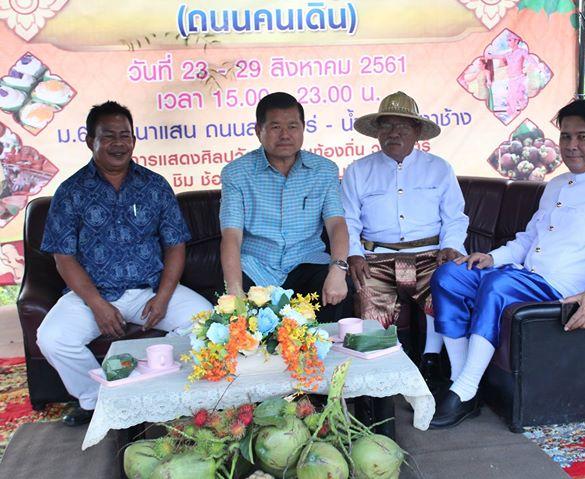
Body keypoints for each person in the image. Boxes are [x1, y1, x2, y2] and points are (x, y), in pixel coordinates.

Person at [429, 99, 585, 428]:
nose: (571, 146)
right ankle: (461, 382)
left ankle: (465, 388)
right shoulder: (557, 184)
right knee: (450, 275)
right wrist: (492, 257)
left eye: (582, 137)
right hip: (524, 276)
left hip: (561, 287)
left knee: (498, 285)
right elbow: (530, 237)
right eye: (565, 136)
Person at [38, 101, 212, 426]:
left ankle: (161, 390)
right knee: (52, 338)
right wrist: (97, 305)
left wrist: (163, 296)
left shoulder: (155, 185)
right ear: (90, 141)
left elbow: (175, 245)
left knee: (208, 324)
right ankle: (98, 401)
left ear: (134, 139)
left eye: (125, 135)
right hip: (92, 295)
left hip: (149, 290)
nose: (118, 143)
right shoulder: (71, 191)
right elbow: (63, 257)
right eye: (108, 136)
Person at [342, 91, 469, 388]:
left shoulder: (439, 168)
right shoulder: (358, 170)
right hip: (376, 259)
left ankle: (437, 365)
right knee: (370, 313)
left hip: (430, 255)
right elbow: (347, 219)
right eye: (386, 125)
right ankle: (378, 385)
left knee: (448, 289)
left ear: (417, 131)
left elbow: (455, 217)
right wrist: (354, 253)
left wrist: (450, 246)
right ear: (377, 132)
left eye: (402, 126)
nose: (394, 133)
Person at [220, 92, 351, 322]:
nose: (285, 135)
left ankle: (331, 347)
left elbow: (336, 224)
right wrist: (234, 290)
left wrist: (339, 270)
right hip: (256, 268)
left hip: (307, 263)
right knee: (238, 311)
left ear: (303, 128)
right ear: (258, 130)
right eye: (275, 127)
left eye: (292, 126)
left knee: (337, 285)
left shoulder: (324, 170)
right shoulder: (236, 173)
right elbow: (231, 235)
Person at [484, 33, 529, 118]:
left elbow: (531, 60)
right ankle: (516, 116)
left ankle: (525, 115)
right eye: (508, 40)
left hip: (519, 79)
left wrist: (536, 68)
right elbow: (494, 56)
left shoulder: (522, 52)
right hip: (511, 80)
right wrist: (485, 53)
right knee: (511, 100)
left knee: (519, 98)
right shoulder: (508, 54)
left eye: (510, 40)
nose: (508, 42)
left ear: (516, 41)